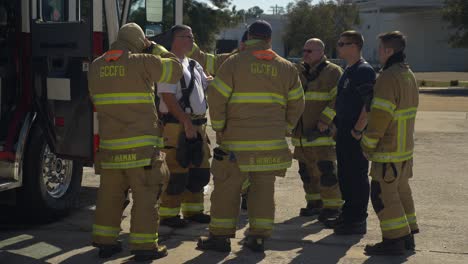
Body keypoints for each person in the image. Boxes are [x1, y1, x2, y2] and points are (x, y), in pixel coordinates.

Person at [197, 20, 305, 253]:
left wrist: (220, 126)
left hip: (236, 144)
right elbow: (298, 102)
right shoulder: (287, 68)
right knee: (263, 191)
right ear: (269, 40)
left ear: (248, 38)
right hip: (271, 144)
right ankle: (258, 237)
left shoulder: (234, 63)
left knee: (227, 189)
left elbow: (216, 97)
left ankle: (220, 238)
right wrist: (285, 127)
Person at [88, 23, 182, 261]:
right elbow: (176, 69)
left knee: (109, 197)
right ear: (140, 42)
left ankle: (105, 243)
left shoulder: (96, 66)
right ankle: (143, 247)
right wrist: (157, 49)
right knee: (146, 196)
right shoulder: (143, 61)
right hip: (141, 150)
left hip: (110, 149)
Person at [361, 31, 419, 255]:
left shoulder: (387, 77)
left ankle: (394, 241)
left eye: (380, 48)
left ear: (388, 50)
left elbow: (381, 117)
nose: (378, 52)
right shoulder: (408, 74)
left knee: (382, 196)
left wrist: (367, 143)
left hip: (388, 150)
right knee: (401, 192)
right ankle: (407, 237)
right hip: (404, 150)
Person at [156, 25, 211, 228]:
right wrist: (185, 121)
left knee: (199, 171)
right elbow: (167, 97)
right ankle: (169, 215)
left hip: (198, 125)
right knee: (176, 173)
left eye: (192, 36)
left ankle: (193, 212)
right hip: (177, 125)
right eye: (186, 36)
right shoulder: (169, 65)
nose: (191, 40)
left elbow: (203, 85)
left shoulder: (194, 64)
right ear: (174, 40)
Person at [292, 38, 343, 222]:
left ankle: (333, 207)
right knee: (306, 172)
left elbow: (338, 98)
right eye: (304, 50)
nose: (305, 54)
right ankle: (314, 203)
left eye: (309, 51)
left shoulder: (333, 72)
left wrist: (326, 119)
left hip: (321, 134)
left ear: (321, 52)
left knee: (326, 172)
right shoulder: (298, 71)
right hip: (301, 135)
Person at [331, 30, 376, 235]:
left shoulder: (363, 70)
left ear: (354, 45)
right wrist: (335, 124)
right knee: (345, 175)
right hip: (343, 132)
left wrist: (358, 130)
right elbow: (342, 102)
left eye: (342, 43)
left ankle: (357, 219)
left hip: (354, 133)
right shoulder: (348, 70)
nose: (338, 46)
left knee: (356, 176)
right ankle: (348, 214)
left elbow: (368, 105)